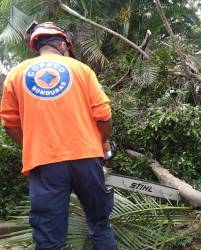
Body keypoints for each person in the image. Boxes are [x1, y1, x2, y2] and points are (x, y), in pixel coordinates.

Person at [0, 22, 116, 249]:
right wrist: (100, 141)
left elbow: (9, 125)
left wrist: (33, 146)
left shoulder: (15, 75)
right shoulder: (82, 70)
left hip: (44, 163)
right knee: (99, 226)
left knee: (49, 240)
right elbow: (104, 117)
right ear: (63, 43)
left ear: (36, 45)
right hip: (87, 157)